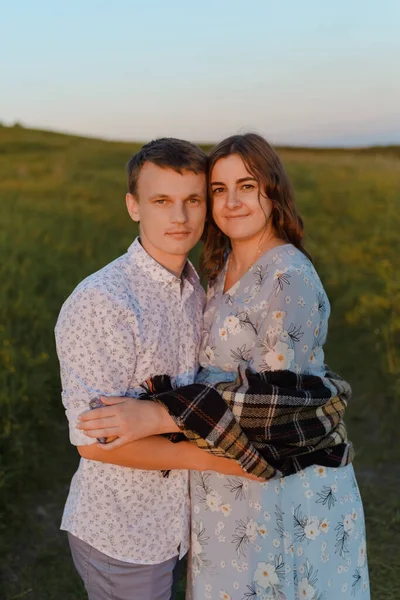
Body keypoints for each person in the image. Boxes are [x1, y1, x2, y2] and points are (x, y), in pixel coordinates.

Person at [79, 133, 370, 599]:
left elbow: (280, 408)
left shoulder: (287, 276)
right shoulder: (218, 269)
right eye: (218, 190)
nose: (231, 201)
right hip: (221, 482)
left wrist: (162, 413)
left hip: (277, 485)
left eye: (247, 186)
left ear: (272, 192)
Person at [55, 137, 252, 600]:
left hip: (179, 520)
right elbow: (94, 444)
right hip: (123, 530)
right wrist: (214, 460)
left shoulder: (196, 290)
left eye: (192, 201)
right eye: (161, 201)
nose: (179, 217)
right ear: (133, 206)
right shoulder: (103, 301)